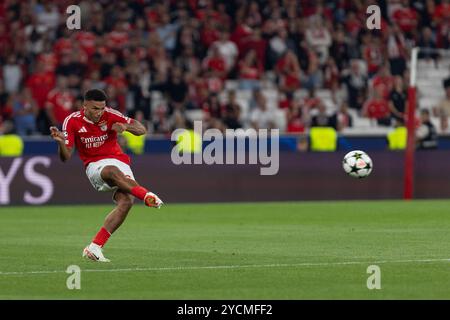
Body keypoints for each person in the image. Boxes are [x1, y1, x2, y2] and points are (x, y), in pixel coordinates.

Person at [49, 89, 163, 262]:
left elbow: (142, 129)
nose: (99, 113)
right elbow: (66, 157)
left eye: (102, 108)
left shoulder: (110, 115)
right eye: (95, 108)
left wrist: (125, 127)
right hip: (94, 166)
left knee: (126, 201)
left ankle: (95, 247)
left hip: (119, 161)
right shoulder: (72, 121)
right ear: (84, 105)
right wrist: (60, 143)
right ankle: (146, 195)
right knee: (111, 171)